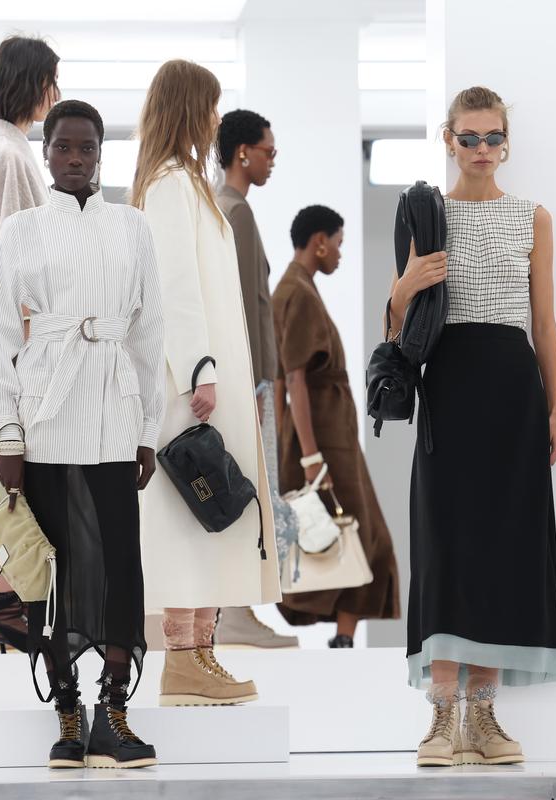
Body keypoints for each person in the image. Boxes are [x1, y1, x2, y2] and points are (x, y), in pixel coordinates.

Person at [0, 99, 164, 770]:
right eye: (64, 146)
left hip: (114, 408)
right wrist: (7, 438)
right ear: (47, 152)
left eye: (87, 147)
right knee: (50, 567)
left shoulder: (132, 227)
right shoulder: (23, 230)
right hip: (44, 411)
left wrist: (148, 427)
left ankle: (114, 707)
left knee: (121, 563)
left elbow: (149, 332)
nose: (77, 157)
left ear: (100, 154)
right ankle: (67, 705)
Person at [386, 86, 556, 767]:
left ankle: (484, 717)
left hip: (513, 385)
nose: (484, 150)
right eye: (471, 138)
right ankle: (440, 719)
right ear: (448, 140)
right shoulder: (424, 215)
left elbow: (544, 321)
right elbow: (395, 329)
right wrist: (405, 287)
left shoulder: (532, 218)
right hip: (450, 387)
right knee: (446, 541)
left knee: (504, 544)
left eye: (494, 138)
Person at [131, 59, 280, 707]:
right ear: (191, 107)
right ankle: (184, 656)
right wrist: (200, 370)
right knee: (191, 515)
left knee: (209, 515)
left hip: (206, 379)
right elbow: (175, 289)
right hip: (189, 385)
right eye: (212, 105)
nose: (218, 118)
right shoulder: (169, 184)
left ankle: (200, 651)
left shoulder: (185, 181)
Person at [0, 36, 60, 654]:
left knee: (14, 469)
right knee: (18, 469)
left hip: (16, 335)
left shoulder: (5, 147)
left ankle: (11, 603)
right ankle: (11, 604)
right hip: (22, 340)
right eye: (51, 80)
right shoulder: (9, 154)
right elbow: (18, 261)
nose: (55, 92)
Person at [273, 205, 401, 646]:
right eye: (339, 244)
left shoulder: (295, 289)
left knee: (360, 535)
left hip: (327, 434)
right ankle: (343, 639)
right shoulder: (299, 293)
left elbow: (280, 380)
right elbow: (291, 378)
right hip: (325, 439)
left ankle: (344, 638)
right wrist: (310, 457)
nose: (341, 255)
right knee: (363, 535)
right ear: (319, 242)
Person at [213, 108, 297, 650]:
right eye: (268, 150)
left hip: (246, 379)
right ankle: (236, 609)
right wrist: (257, 386)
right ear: (243, 151)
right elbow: (244, 304)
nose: (273, 159)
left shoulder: (225, 207)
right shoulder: (236, 211)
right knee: (251, 489)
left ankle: (235, 607)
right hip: (250, 381)